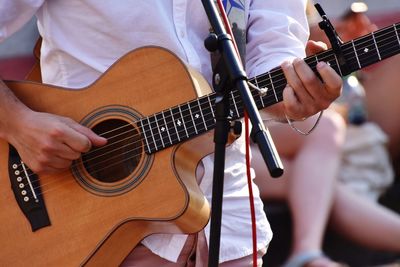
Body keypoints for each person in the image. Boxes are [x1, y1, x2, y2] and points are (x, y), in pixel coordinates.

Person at [0, 1, 343, 266]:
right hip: (87, 221)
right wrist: (18, 123)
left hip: (230, 218)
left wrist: (300, 94)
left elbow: (271, 65)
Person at [253, 5, 400, 267]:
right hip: (198, 134)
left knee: (325, 129)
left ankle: (306, 253)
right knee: (307, 181)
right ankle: (307, 254)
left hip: (249, 125)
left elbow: (274, 52)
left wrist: (329, 36)